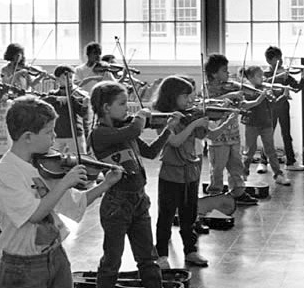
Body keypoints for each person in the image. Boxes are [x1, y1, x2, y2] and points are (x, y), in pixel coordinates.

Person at [0, 96, 122, 288]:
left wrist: (105, 185)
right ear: (27, 137)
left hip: (55, 254)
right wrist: (65, 182)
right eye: (48, 132)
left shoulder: (45, 166)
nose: (54, 137)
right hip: (23, 264)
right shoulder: (6, 171)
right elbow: (34, 215)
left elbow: (75, 203)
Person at [88, 81, 180, 287]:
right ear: (106, 108)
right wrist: (140, 117)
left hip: (139, 199)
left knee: (148, 257)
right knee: (112, 260)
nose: (127, 108)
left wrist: (167, 130)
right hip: (116, 204)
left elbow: (150, 152)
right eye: (122, 104)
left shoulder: (125, 128)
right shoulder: (100, 133)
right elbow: (133, 131)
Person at [153, 76, 209, 269]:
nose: (189, 100)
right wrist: (194, 124)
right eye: (185, 96)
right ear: (172, 96)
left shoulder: (189, 115)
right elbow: (175, 141)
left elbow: (202, 135)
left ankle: (190, 250)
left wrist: (203, 123)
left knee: (189, 215)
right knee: (166, 217)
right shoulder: (163, 118)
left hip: (190, 173)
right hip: (170, 175)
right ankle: (161, 255)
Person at [203, 54, 267, 205]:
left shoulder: (232, 86)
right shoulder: (207, 88)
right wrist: (230, 94)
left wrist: (257, 100)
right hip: (217, 135)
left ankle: (238, 192)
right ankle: (215, 194)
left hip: (233, 134)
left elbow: (242, 105)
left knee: (236, 165)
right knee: (217, 167)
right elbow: (208, 103)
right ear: (213, 73)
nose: (228, 74)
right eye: (224, 71)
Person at [257, 46, 304, 173]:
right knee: (268, 135)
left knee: (286, 134)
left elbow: (297, 88)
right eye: (277, 59)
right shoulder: (265, 74)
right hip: (269, 108)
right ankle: (263, 161)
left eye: (281, 59)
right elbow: (263, 84)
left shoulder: (285, 74)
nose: (281, 62)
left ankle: (290, 161)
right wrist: (279, 75)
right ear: (269, 61)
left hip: (283, 106)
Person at [241, 66, 291, 185]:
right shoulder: (246, 91)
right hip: (251, 124)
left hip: (266, 124)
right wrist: (260, 96)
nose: (262, 78)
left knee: (270, 150)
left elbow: (274, 104)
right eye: (259, 76)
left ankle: (278, 174)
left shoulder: (265, 89)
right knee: (249, 151)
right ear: (250, 78)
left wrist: (283, 95)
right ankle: (243, 174)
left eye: (262, 75)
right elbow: (246, 105)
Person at [42, 65, 90, 154]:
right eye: (65, 78)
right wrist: (57, 99)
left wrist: (85, 106)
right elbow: (41, 103)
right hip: (57, 135)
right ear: (57, 79)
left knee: (80, 160)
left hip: (75, 135)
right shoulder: (53, 94)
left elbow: (83, 114)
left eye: (71, 77)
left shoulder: (76, 94)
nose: (69, 80)